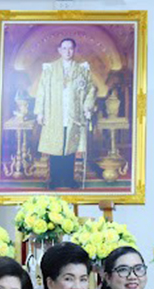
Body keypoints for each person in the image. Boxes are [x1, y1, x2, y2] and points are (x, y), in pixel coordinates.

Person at [34, 37, 96, 190]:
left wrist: (87, 107)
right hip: (54, 113)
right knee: (56, 147)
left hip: (73, 114)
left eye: (70, 48)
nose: (67, 51)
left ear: (74, 50)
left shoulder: (82, 69)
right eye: (64, 48)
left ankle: (69, 180)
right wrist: (40, 112)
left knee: (70, 147)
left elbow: (90, 89)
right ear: (59, 50)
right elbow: (41, 91)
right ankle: (55, 180)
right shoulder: (50, 69)